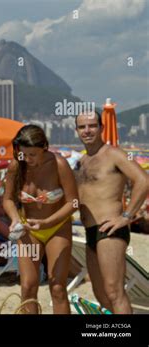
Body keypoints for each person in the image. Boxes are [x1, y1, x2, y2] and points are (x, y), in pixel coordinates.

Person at [74, 111, 148, 314]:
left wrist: (126, 216)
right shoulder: (82, 162)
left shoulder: (114, 154)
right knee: (102, 295)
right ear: (77, 131)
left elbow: (143, 180)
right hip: (89, 231)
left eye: (92, 125)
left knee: (115, 293)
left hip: (109, 229)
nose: (87, 130)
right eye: (82, 127)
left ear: (101, 128)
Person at [3, 124, 78, 314]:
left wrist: (47, 223)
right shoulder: (16, 165)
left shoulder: (59, 164)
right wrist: (14, 219)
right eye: (23, 154)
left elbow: (74, 202)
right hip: (28, 230)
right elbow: (8, 199)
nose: (27, 159)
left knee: (57, 287)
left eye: (32, 155)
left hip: (56, 228)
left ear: (45, 146)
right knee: (28, 286)